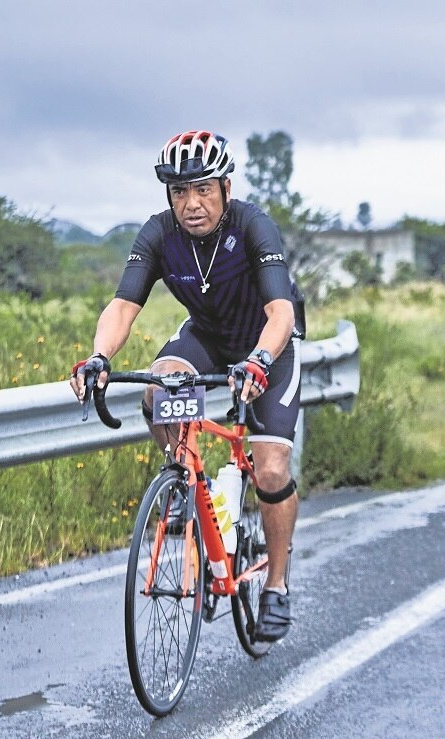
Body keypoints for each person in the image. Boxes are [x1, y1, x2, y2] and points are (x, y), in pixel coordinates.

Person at [69, 130, 303, 643]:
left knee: (269, 467)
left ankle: (277, 586)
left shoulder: (253, 224)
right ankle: (182, 482)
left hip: (269, 343)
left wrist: (261, 360)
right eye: (179, 192)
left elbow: (280, 311)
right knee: (159, 388)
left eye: (202, 189)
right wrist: (100, 356)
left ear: (224, 186)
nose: (191, 203)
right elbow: (124, 305)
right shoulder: (157, 235)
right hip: (209, 337)